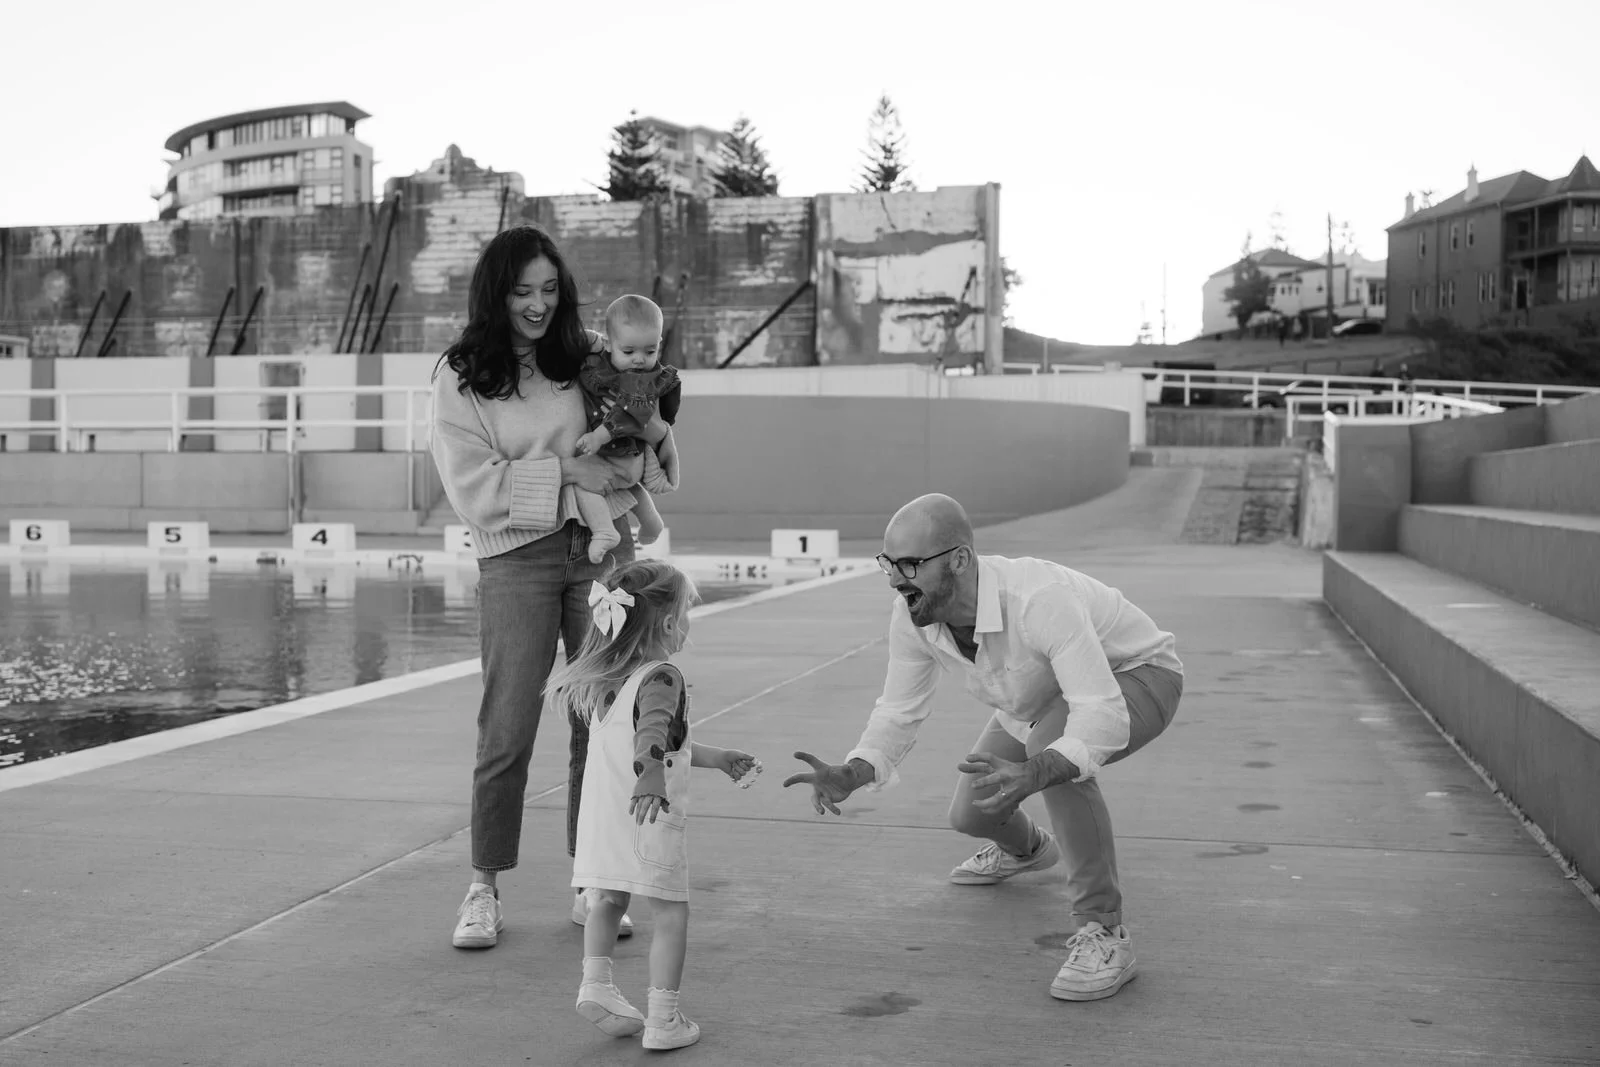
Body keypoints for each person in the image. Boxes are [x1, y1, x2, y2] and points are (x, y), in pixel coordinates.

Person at [783, 493, 1183, 1002]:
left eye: (909, 564)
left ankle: (1104, 930)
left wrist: (1039, 770)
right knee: (972, 812)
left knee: (1054, 753)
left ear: (960, 560)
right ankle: (1031, 850)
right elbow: (899, 709)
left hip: (1138, 675)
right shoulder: (912, 613)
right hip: (1041, 695)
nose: (893, 579)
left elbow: (1099, 714)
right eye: (888, 563)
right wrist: (856, 771)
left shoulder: (1039, 599)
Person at [429, 224, 680, 951]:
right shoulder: (461, 373)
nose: (537, 306)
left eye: (548, 290)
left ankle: (591, 880)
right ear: (494, 291)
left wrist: (659, 431)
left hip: (599, 553)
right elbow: (473, 489)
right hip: (516, 559)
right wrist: (569, 472)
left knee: (599, 722)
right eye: (521, 291)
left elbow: (637, 448)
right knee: (506, 726)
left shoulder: (584, 363)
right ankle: (483, 888)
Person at [546, 560, 760, 1050]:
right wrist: (652, 778)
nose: (687, 624)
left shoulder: (609, 681)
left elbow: (663, 742)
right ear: (666, 624)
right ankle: (664, 1018)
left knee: (606, 900)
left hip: (603, 823)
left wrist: (717, 758)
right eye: (685, 614)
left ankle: (596, 985)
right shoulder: (664, 676)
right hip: (647, 813)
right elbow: (650, 742)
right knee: (670, 913)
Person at [569, 294, 681, 564]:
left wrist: (598, 436)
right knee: (626, 486)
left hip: (618, 451)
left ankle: (604, 531)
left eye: (650, 352)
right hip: (628, 461)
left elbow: (631, 414)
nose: (640, 360)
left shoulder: (641, 381)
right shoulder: (603, 365)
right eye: (629, 352)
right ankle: (651, 521)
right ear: (607, 344)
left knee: (585, 487)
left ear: (659, 346)